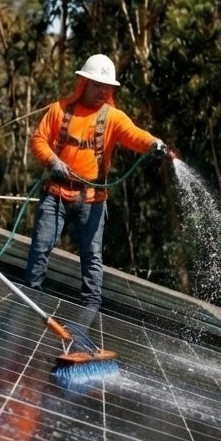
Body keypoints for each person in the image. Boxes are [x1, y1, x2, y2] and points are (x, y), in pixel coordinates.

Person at [25, 54, 169, 309]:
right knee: (41, 246)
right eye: (96, 85)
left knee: (91, 257)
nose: (101, 91)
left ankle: (91, 309)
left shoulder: (112, 117)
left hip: (92, 199)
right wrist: (52, 161)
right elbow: (39, 139)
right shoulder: (60, 109)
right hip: (56, 192)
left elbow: (135, 135)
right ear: (83, 83)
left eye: (106, 86)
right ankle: (30, 299)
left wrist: (153, 143)